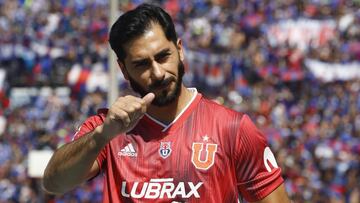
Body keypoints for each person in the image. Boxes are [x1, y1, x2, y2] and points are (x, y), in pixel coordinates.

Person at [42, 3, 290, 203]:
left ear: (179, 50)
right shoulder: (108, 128)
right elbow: (54, 183)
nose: (158, 73)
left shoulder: (232, 129)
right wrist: (102, 136)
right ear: (124, 70)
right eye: (142, 64)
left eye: (163, 56)